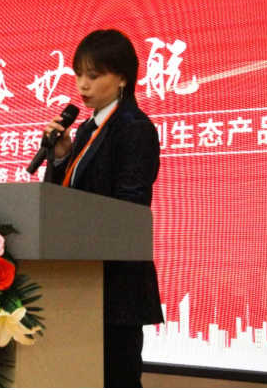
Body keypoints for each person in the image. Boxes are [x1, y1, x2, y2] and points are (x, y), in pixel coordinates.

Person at [43, 29, 164, 388]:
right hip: (80, 280)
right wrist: (60, 157)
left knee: (116, 379)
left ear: (123, 77)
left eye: (94, 75)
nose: (83, 84)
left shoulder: (133, 127)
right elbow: (65, 198)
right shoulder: (85, 130)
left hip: (115, 284)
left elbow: (130, 209)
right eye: (79, 74)